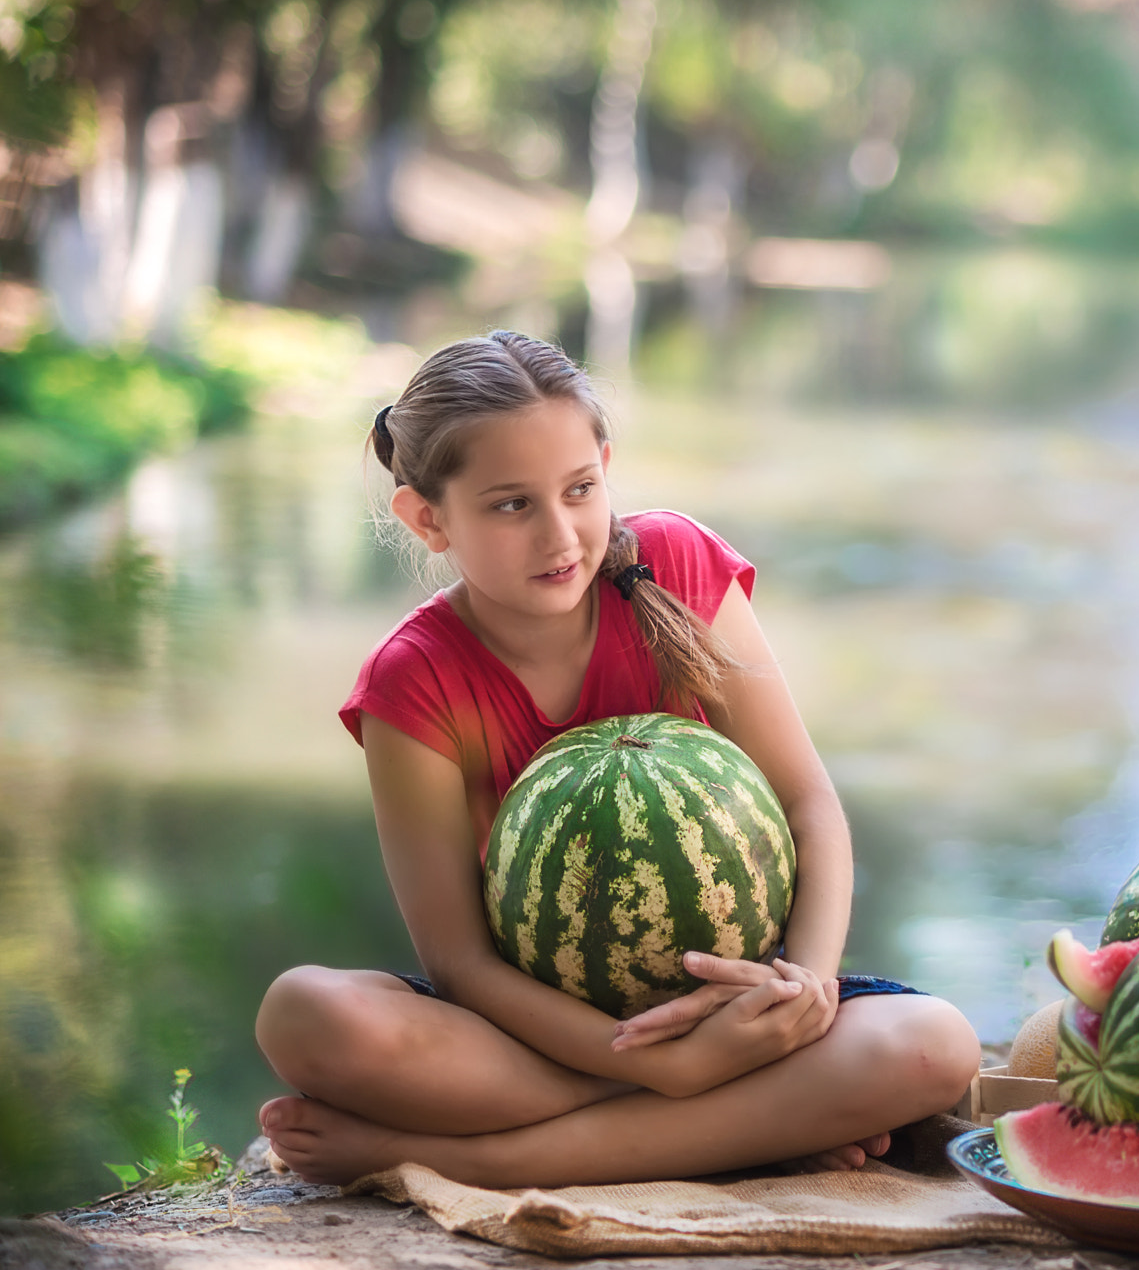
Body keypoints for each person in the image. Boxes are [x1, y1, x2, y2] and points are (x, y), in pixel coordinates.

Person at [254, 331, 982, 1188]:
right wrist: (655, 1064)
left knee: (937, 1047)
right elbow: (460, 963)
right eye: (510, 505)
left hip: (743, 1001)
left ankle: (456, 1159)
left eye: (579, 490)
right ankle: (739, 1123)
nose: (560, 534)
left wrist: (806, 988)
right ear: (428, 517)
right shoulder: (413, 682)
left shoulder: (675, 563)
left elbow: (808, 804)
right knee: (305, 1015)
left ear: (605, 463)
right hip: (539, 1029)